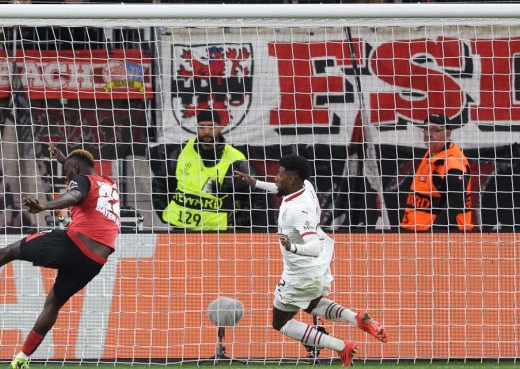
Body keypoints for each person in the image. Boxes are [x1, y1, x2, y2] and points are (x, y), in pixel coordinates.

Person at [0, 146, 120, 369]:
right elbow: (82, 174)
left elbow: (76, 194)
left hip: (74, 243)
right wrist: (64, 160)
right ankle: (22, 358)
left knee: (10, 251)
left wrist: (44, 205)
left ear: (76, 169)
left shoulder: (79, 179)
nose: (67, 177)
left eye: (68, 172)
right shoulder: (109, 183)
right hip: (95, 261)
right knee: (53, 305)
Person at [234, 155, 388, 366]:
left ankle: (342, 347)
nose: (276, 177)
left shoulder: (298, 210)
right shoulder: (305, 184)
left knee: (281, 323)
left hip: (301, 274)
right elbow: (278, 188)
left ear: (292, 177)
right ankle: (356, 318)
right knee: (311, 304)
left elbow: (313, 247)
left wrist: (292, 246)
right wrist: (256, 183)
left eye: (280, 173)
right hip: (318, 269)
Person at [150, 110, 271, 231]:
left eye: (211, 126)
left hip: (217, 231)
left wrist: (238, 221)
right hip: (181, 228)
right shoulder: (181, 152)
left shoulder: (235, 158)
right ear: (196, 128)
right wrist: (165, 213)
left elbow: (257, 193)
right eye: (202, 127)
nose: (206, 131)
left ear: (221, 127)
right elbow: (159, 183)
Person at [400, 113, 474, 231]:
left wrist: (435, 233)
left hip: (441, 240)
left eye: (435, 130)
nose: (429, 135)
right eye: (426, 130)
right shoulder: (432, 153)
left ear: (448, 133)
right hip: (417, 234)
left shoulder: (453, 164)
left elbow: (456, 203)